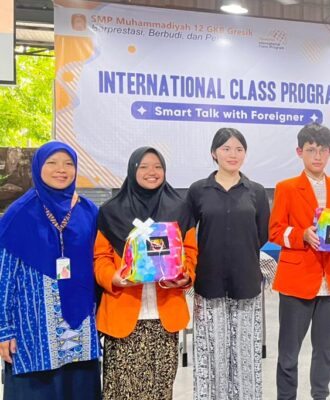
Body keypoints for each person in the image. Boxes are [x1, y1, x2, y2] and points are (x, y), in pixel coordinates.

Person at [0, 141, 101, 399]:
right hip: (33, 334)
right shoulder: (18, 214)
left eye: (68, 163)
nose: (61, 170)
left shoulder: (88, 211)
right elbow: (4, 277)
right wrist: (4, 330)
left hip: (81, 331)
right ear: (38, 167)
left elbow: (101, 261)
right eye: (52, 163)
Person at [95, 147, 197, 399]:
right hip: (123, 315)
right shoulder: (111, 211)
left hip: (165, 318)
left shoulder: (180, 209)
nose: (152, 172)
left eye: (158, 167)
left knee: (160, 390)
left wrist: (185, 276)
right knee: (122, 391)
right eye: (144, 167)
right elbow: (101, 257)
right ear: (132, 170)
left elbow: (191, 252)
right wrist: (113, 278)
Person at [269, 123, 330, 400]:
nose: (317, 156)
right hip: (296, 280)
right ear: (299, 152)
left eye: (322, 150)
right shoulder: (286, 188)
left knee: (326, 350)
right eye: (311, 150)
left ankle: (320, 395)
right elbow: (275, 231)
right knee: (289, 352)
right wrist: (302, 235)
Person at [187, 128, 270, 400]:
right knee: (212, 355)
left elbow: (261, 235)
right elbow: (187, 232)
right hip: (208, 284)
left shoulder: (256, 192)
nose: (232, 154)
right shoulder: (198, 190)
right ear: (214, 153)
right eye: (226, 148)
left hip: (246, 283)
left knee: (245, 356)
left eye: (239, 149)